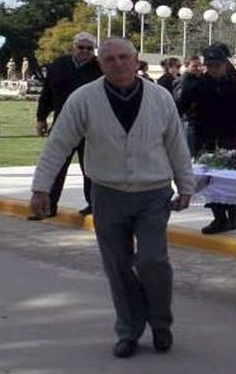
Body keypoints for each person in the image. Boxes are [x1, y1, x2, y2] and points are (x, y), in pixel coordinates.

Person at [29, 37, 195, 359]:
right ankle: (128, 330)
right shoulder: (84, 99)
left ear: (136, 61)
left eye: (123, 57)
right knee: (117, 266)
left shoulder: (160, 97)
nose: (118, 64)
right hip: (107, 194)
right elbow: (58, 144)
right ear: (100, 64)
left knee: (152, 261)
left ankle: (160, 322)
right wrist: (41, 188)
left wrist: (185, 185)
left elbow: (176, 144)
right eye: (109, 59)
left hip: (153, 193)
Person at [177, 43, 236, 234]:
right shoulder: (196, 85)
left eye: (217, 65)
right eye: (210, 65)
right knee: (208, 179)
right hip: (204, 138)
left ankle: (233, 212)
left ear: (225, 64)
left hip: (228, 138)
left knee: (227, 178)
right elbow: (180, 108)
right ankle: (219, 217)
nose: (213, 69)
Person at [34, 32, 102, 218]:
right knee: (55, 166)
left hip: (91, 126)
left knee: (90, 168)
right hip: (62, 123)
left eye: (89, 48)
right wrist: (41, 118)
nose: (85, 51)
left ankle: (94, 205)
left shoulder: (100, 68)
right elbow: (47, 93)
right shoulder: (59, 64)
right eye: (81, 47)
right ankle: (48, 206)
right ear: (74, 47)